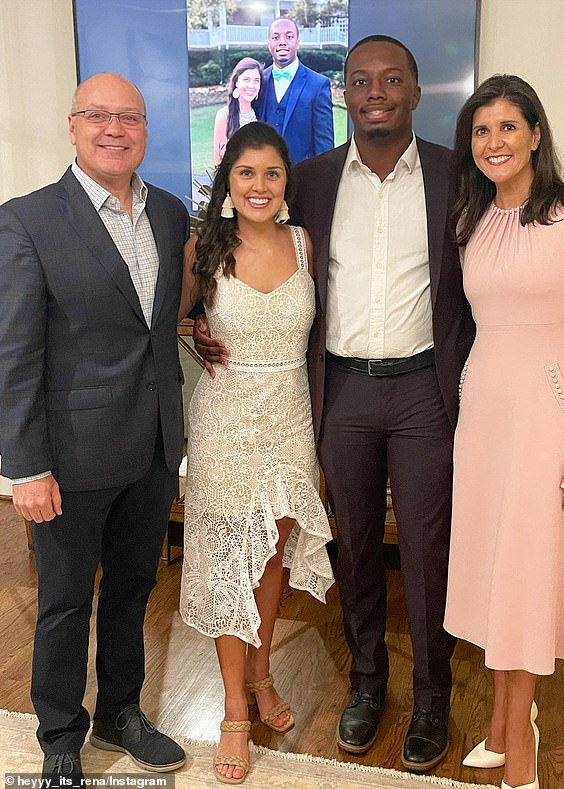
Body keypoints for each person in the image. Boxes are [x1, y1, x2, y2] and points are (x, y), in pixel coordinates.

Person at [194, 36, 476, 772]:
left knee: (425, 547)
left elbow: (505, 248)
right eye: (360, 80)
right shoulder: (311, 180)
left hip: (424, 390)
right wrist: (199, 321)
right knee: (351, 544)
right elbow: (240, 255)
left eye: (391, 79)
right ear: (343, 94)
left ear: (416, 92)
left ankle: (432, 698)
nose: (375, 90)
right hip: (340, 389)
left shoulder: (455, 174)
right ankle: (367, 683)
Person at [0, 73, 189, 781]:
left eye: (130, 118)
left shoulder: (170, 214)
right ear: (73, 127)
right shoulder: (26, 220)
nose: (115, 129)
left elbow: (159, 323)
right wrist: (25, 464)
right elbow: (13, 353)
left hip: (152, 447)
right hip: (68, 459)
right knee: (65, 598)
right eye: (100, 116)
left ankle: (121, 710)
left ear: (145, 130)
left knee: (135, 587)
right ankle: (58, 734)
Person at [444, 75, 564, 789]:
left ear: (536, 135)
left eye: (508, 127)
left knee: (524, 572)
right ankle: (499, 722)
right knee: (496, 570)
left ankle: (521, 735)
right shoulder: (474, 218)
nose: (494, 142)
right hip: (486, 414)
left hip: (554, 414)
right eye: (482, 130)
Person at [179, 121, 334, 785]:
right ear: (228, 182)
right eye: (247, 174)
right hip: (225, 421)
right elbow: (174, 319)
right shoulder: (203, 247)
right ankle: (232, 712)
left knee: (269, 559)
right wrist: (193, 332)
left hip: (289, 420)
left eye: (272, 173)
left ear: (285, 182)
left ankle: (264, 673)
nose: (260, 186)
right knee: (224, 566)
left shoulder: (304, 242)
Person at [255, 16, 334, 165]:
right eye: (275, 37)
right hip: (262, 179)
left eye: (289, 36)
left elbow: (324, 145)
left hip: (303, 179)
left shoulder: (318, 84)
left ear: (298, 43)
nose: (282, 42)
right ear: (269, 44)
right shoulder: (259, 81)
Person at [214, 57, 263, 165]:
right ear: (236, 82)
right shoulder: (224, 116)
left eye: (256, 81)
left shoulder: (260, 115)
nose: (251, 86)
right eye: (246, 79)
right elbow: (219, 160)